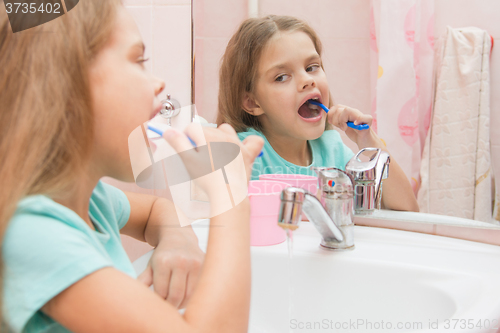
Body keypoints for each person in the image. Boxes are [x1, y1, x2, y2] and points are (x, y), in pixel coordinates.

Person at [0, 1, 263, 332]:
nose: (158, 83)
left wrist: (177, 240)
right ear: (65, 88)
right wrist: (232, 198)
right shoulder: (33, 233)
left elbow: (155, 210)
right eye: (138, 61)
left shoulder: (91, 201)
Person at [216, 15, 419, 212]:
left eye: (312, 67)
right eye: (282, 77)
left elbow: (407, 209)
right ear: (252, 102)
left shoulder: (332, 151)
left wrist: (368, 141)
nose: (308, 80)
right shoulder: (247, 153)